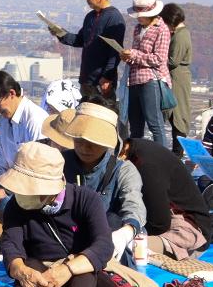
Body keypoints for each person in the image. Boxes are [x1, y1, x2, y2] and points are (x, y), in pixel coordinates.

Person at [0, 141, 128, 287]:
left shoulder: (85, 200)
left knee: (84, 268)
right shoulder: (15, 206)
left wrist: (67, 269)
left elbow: (103, 246)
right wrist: (21, 270)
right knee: (29, 265)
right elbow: (11, 243)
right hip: (42, 285)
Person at [45, 104, 144, 265]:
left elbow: (134, 206)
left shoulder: (123, 170)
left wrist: (125, 232)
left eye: (92, 142)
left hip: (108, 243)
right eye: (79, 140)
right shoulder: (59, 162)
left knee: (112, 220)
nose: (85, 148)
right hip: (63, 243)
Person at [122, 132, 212, 260]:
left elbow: (160, 223)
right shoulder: (133, 149)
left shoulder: (146, 164)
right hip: (161, 220)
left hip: (188, 229)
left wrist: (128, 231)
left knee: (125, 247)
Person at [45, 0, 127, 109]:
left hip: (101, 81)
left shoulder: (114, 18)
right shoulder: (90, 16)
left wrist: (107, 77)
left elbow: (115, 51)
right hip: (86, 80)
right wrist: (60, 33)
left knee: (103, 118)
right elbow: (81, 40)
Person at [0, 69, 50, 203]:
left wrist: (6, 191)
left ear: (11, 93)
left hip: (35, 192)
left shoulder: (35, 119)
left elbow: (39, 170)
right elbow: (1, 167)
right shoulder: (4, 122)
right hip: (13, 186)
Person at [121, 0, 172, 146]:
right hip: (134, 79)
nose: (138, 18)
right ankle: (135, 157)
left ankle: (162, 158)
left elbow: (159, 59)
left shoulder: (161, 29)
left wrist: (134, 55)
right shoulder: (137, 29)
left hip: (151, 80)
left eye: (141, 15)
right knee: (135, 125)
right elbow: (137, 54)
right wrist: (127, 56)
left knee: (154, 123)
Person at [161, 2, 194, 148]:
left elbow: (173, 60)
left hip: (177, 78)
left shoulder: (181, 35)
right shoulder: (180, 33)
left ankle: (178, 149)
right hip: (177, 76)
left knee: (178, 113)